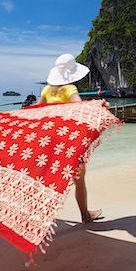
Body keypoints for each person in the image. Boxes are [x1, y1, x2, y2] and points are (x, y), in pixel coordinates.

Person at [37, 53, 102, 223]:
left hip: (49, 141)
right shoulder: (70, 89)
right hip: (67, 142)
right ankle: (85, 215)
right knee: (79, 180)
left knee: (49, 179)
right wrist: (99, 105)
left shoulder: (46, 89)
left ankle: (42, 218)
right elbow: (80, 107)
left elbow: (37, 112)